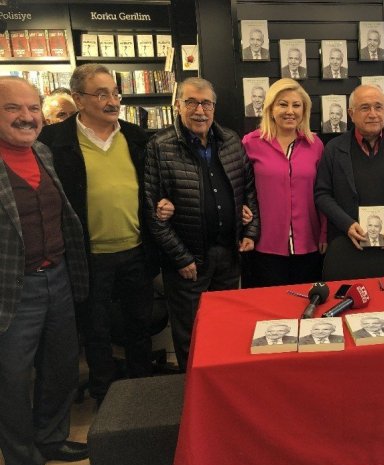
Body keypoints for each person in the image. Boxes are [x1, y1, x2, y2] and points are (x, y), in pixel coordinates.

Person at [39, 64, 166, 404]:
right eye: (101, 94)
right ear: (79, 99)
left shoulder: (137, 137)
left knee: (139, 327)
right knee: (95, 331)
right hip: (88, 256)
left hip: (136, 250)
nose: (112, 101)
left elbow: (154, 188)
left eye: (115, 93)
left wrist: (163, 203)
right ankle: (106, 399)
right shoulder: (53, 142)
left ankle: (144, 395)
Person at [0, 76, 89, 465]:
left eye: (33, 108)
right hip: (12, 292)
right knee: (13, 385)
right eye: (13, 108)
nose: (27, 116)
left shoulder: (43, 152)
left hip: (58, 278)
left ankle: (51, 438)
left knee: (61, 367)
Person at [144, 77, 260, 371]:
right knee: (191, 334)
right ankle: (193, 388)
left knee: (227, 325)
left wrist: (250, 230)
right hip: (189, 260)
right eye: (191, 102)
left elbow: (249, 188)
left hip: (228, 254)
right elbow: (152, 211)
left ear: (214, 107)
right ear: (177, 105)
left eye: (206, 103)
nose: (199, 110)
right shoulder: (160, 146)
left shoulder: (230, 140)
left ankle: (224, 381)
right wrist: (181, 258)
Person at [314, 84, 384, 280]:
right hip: (345, 244)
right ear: (351, 114)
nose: (373, 114)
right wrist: (347, 224)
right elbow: (322, 194)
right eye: (365, 107)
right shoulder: (333, 149)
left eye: (378, 107)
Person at [242, 78, 326, 287]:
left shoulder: (315, 145)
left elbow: (323, 193)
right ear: (271, 109)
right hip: (264, 244)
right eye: (283, 104)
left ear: (304, 111)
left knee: (306, 302)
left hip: (308, 243)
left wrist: (324, 233)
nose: (290, 111)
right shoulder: (250, 143)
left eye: (296, 105)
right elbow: (239, 187)